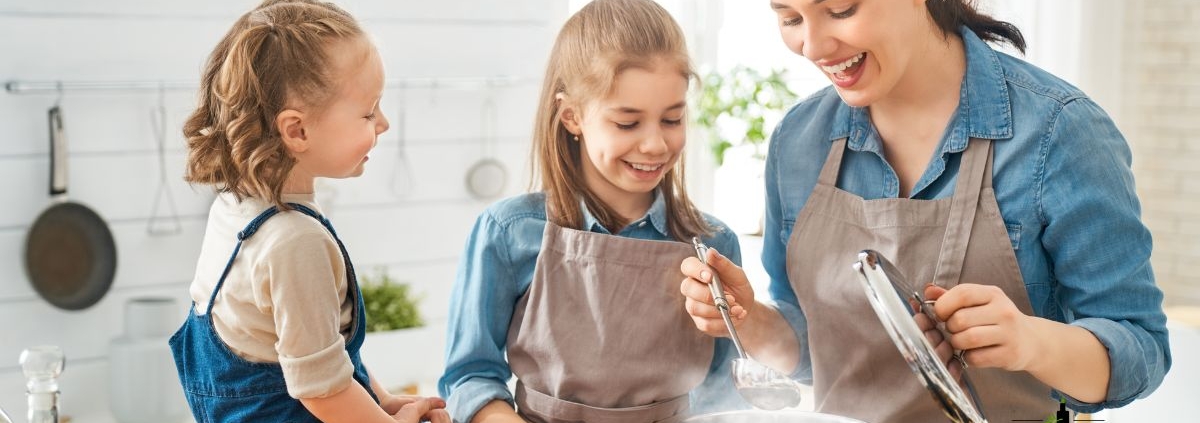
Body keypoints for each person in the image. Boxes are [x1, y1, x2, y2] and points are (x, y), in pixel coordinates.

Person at [680, 1, 1172, 422]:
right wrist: (751, 322)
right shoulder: (798, 140)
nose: (812, 46)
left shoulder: (1058, 131)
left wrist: (1031, 342)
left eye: (840, 10)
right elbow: (814, 348)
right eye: (789, 17)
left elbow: (1142, 349)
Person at [438, 0, 747, 421]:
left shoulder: (712, 244)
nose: (655, 144)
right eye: (627, 123)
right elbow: (469, 377)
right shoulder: (508, 232)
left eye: (672, 119)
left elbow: (726, 387)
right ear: (572, 117)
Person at [168, 1, 448, 422]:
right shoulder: (296, 241)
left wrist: (382, 402)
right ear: (297, 130)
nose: (384, 123)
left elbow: (319, 351)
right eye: (369, 112)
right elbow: (324, 391)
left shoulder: (234, 206)